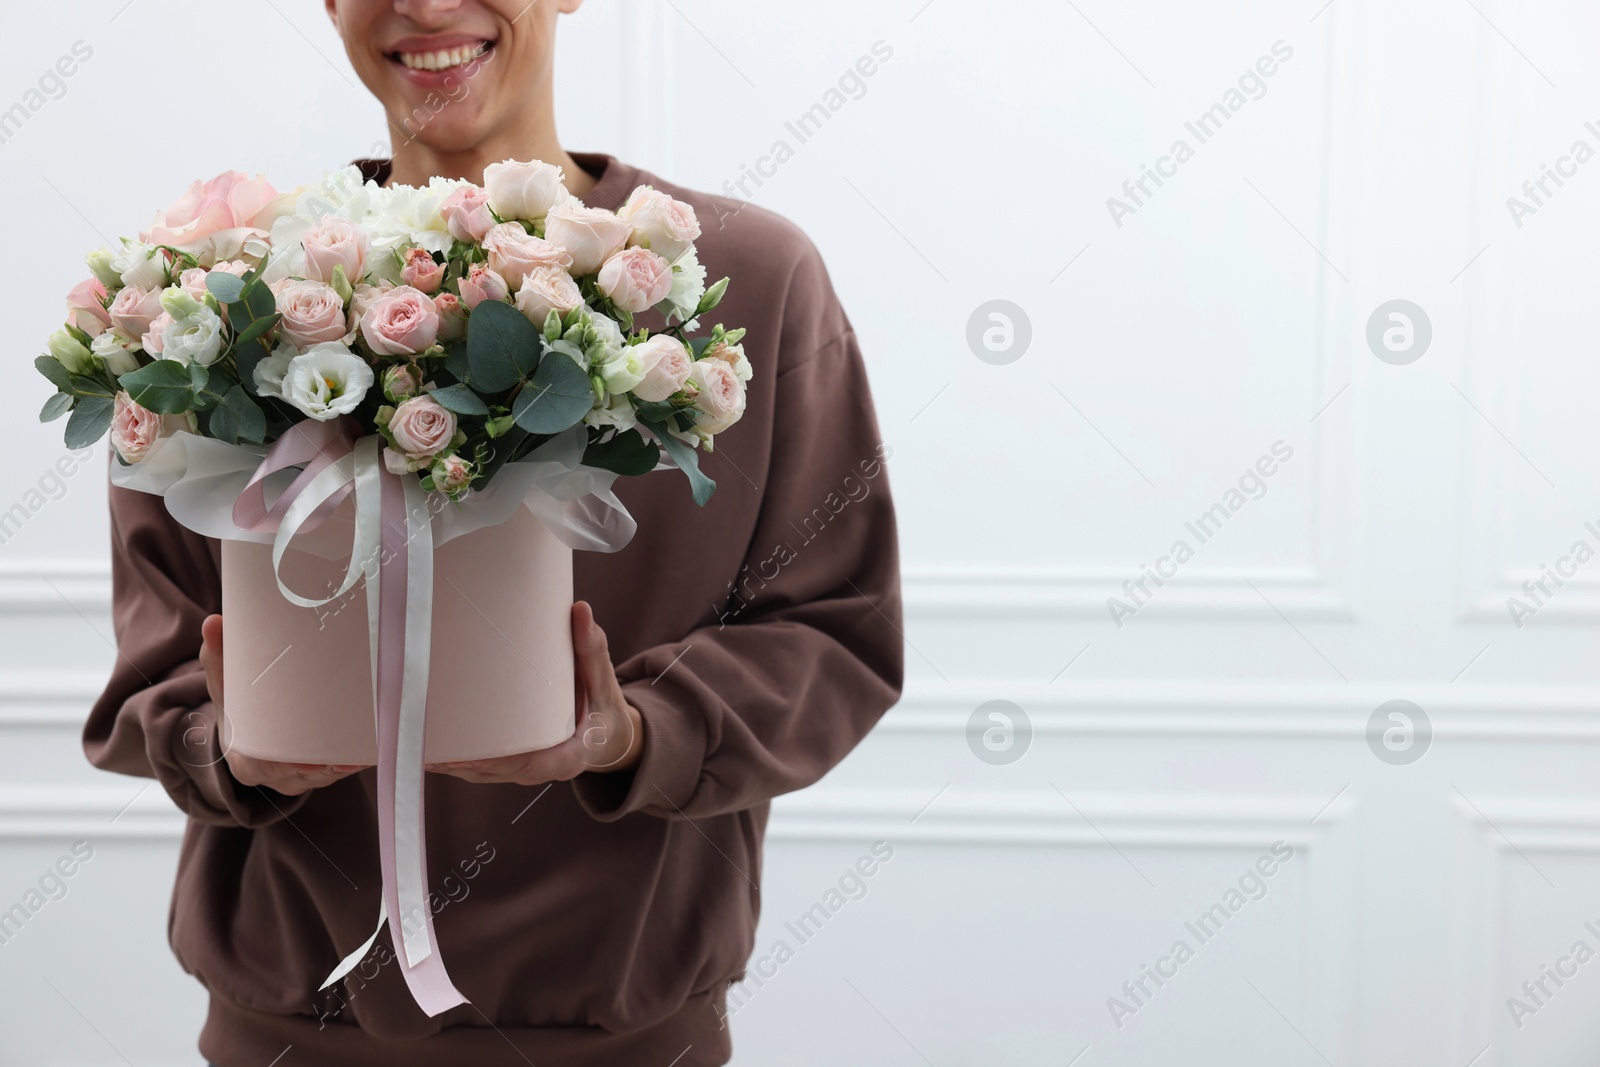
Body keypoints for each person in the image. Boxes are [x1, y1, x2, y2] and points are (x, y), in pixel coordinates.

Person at [82, 1, 903, 1064]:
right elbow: (160, 666)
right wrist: (227, 750)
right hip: (291, 1035)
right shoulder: (210, 297)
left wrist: (640, 732)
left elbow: (835, 631)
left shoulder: (749, 280)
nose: (425, 5)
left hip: (629, 1036)